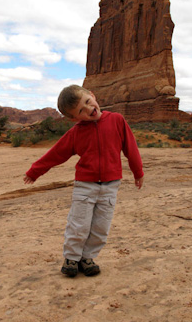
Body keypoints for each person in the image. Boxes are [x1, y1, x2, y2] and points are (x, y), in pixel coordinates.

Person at [24, 85, 144, 277]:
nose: (89, 109)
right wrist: (35, 171)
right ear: (74, 118)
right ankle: (72, 258)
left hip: (110, 186)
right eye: (81, 110)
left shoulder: (116, 120)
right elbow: (56, 154)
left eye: (88, 102)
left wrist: (138, 171)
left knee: (101, 226)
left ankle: (87, 258)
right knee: (79, 224)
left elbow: (130, 147)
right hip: (85, 186)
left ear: (92, 95)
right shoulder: (76, 133)